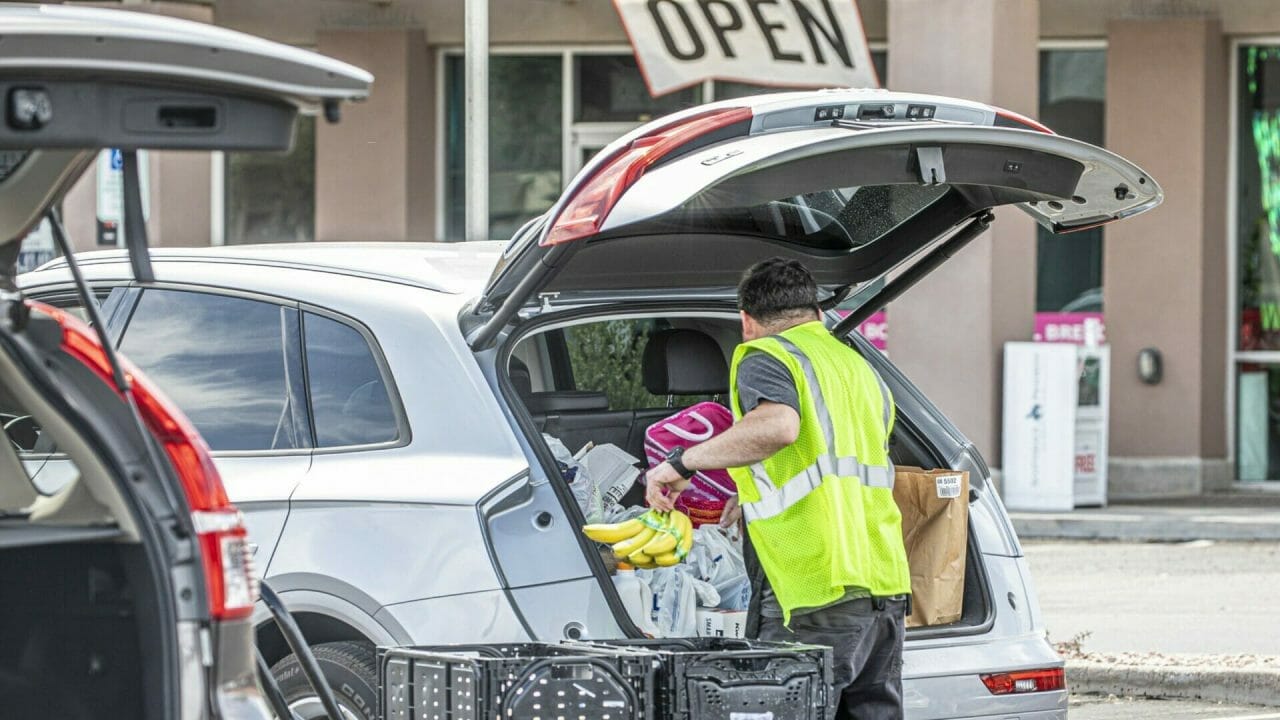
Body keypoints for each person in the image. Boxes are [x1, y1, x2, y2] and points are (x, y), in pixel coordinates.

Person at [646, 257, 911, 720]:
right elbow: (834, 460)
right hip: (883, 585)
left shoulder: (767, 354)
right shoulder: (856, 366)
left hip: (815, 584)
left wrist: (681, 461)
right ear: (818, 315)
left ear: (747, 321)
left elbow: (779, 427)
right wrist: (748, 492)